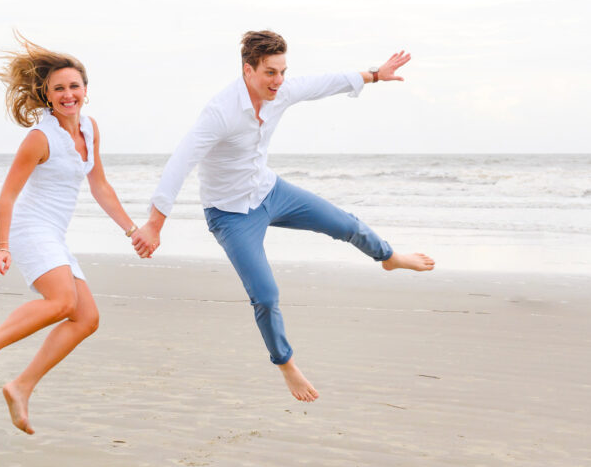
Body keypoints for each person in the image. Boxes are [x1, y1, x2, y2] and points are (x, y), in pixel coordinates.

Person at [131, 30, 435, 403]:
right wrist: (155, 223)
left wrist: (374, 74)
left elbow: (323, 83)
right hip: (231, 215)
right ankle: (286, 364)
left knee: (345, 224)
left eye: (282, 72)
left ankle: (389, 258)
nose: (278, 81)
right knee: (265, 294)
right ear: (248, 70)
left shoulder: (282, 92)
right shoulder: (219, 112)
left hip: (271, 192)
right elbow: (181, 162)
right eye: (270, 73)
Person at [0, 35, 139, 434]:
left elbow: (100, 186)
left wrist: (132, 230)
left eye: (74, 86)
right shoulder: (40, 137)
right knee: (61, 301)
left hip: (54, 233)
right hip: (30, 228)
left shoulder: (89, 129)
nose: (68, 94)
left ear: (86, 90)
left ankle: (21, 386)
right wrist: (1, 247)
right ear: (47, 95)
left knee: (86, 318)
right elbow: (7, 197)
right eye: (59, 88)